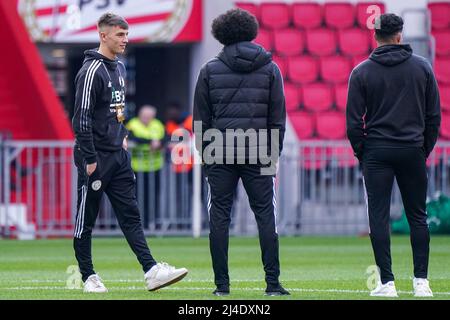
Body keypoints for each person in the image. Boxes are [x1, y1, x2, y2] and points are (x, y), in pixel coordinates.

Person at [72, 13, 187, 293]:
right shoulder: (91, 71)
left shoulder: (120, 68)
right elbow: (81, 119)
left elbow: (118, 112)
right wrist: (89, 158)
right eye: (120, 34)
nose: (125, 39)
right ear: (103, 36)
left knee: (131, 214)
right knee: (86, 220)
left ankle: (151, 270)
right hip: (96, 157)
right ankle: (88, 276)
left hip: (119, 156)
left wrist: (122, 137)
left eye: (127, 34)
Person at [193, 8, 288, 296]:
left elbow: (200, 119)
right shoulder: (270, 68)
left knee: (219, 217)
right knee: (266, 216)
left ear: (221, 34)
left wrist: (206, 155)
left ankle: (222, 286)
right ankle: (272, 284)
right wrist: (274, 152)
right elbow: (277, 116)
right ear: (251, 31)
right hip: (260, 149)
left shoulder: (210, 69)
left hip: (220, 150)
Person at [346, 13, 441, 298]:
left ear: (375, 37)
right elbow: (433, 116)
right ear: (400, 35)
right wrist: (423, 148)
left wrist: (364, 153)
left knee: (378, 217)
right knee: (418, 216)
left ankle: (387, 283)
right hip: (412, 150)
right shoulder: (422, 68)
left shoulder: (361, 71)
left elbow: (353, 122)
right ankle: (421, 282)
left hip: (377, 152)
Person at [126, 105, 165, 229]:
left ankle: (150, 223)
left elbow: (166, 138)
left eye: (149, 117)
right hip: (137, 168)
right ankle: (136, 223)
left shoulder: (157, 125)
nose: (146, 119)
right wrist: (150, 142)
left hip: (154, 167)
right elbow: (131, 137)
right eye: (144, 117)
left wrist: (159, 143)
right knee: (136, 197)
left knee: (153, 197)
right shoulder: (133, 124)